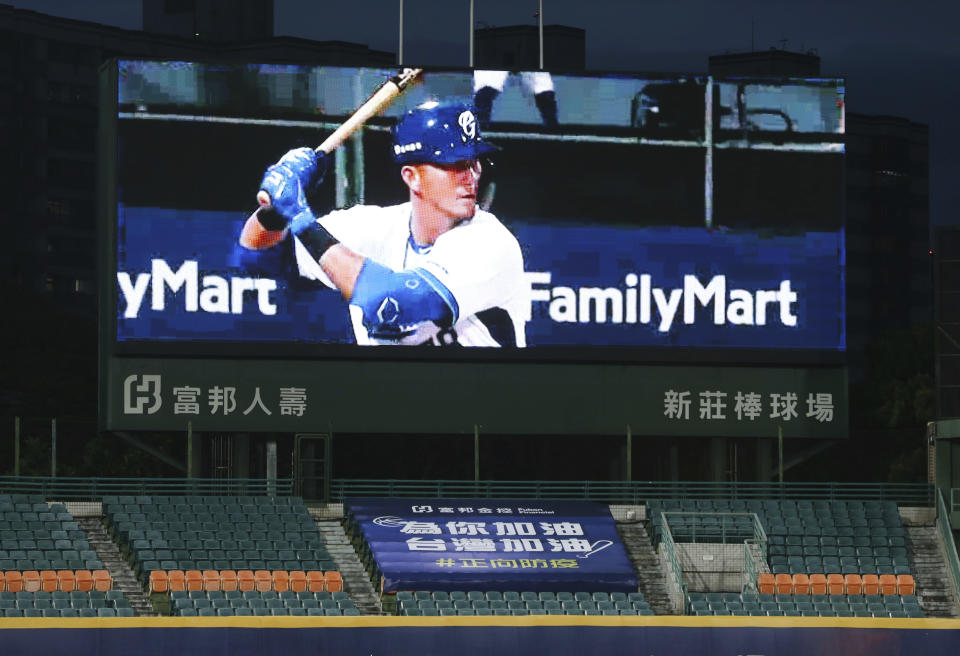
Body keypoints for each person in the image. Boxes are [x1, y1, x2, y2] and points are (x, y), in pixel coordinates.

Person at [238, 102, 527, 347]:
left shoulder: (490, 242)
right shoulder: (372, 227)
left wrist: (299, 214)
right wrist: (275, 212)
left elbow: (391, 304)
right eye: (454, 164)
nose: (470, 176)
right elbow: (254, 256)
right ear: (411, 176)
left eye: (473, 162)